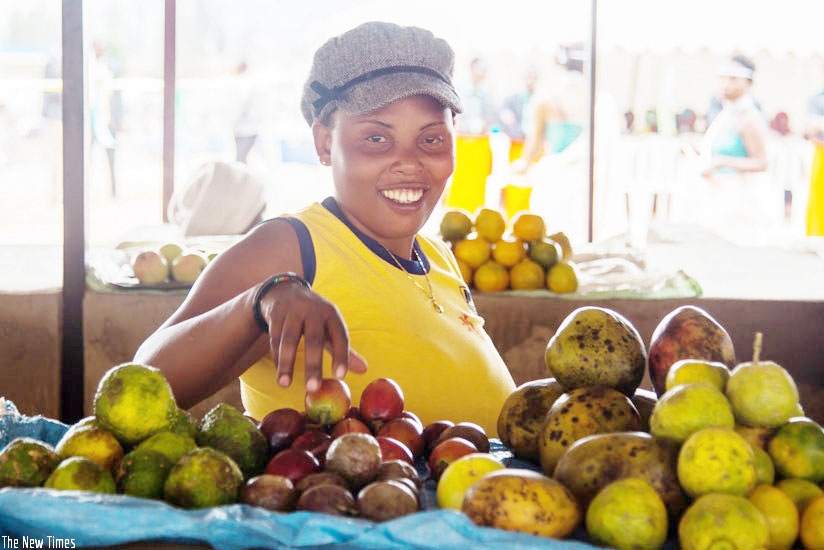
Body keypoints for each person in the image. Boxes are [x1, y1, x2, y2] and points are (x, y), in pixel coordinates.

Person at [134, 22, 516, 436]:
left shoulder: (437, 255)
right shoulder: (292, 247)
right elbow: (140, 386)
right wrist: (266, 298)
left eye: (431, 140)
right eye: (376, 138)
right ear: (324, 143)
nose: (409, 162)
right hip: (347, 500)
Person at [232, 60, 264, 164]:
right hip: (252, 127)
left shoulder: (242, 84)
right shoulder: (254, 83)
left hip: (244, 128)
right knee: (242, 158)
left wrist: (235, 123)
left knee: (240, 159)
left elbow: (240, 108)